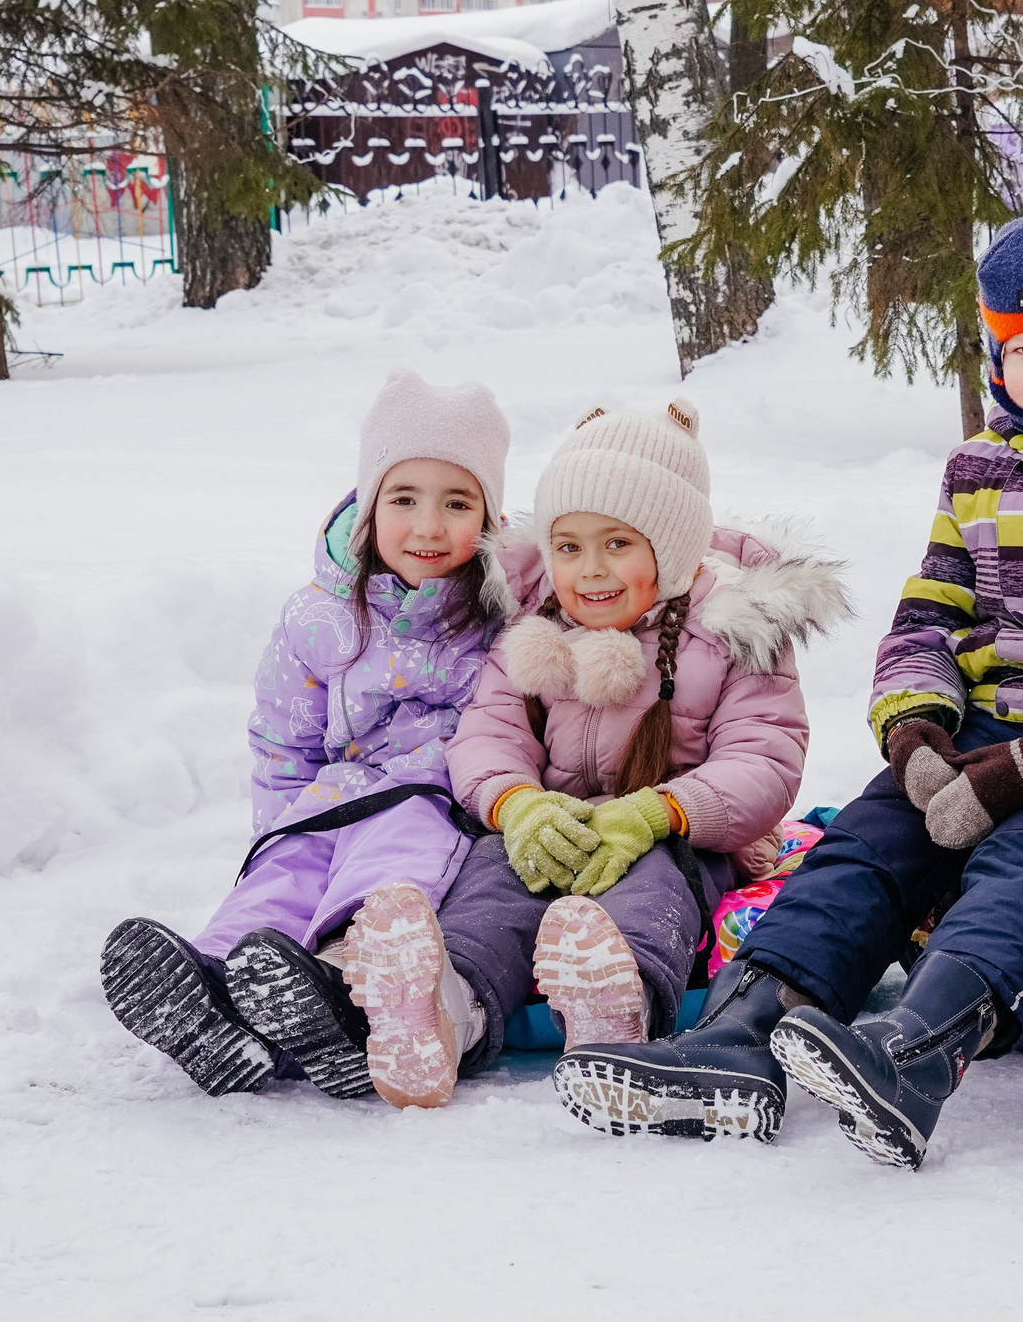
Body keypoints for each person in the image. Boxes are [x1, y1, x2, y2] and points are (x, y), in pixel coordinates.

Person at [553, 210, 1023, 1168]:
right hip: (982, 722)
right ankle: (740, 1034)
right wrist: (917, 730)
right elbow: (932, 608)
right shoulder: (980, 464)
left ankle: (919, 1050)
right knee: (869, 841)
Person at [335, 398, 849, 1110]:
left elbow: (765, 757)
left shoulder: (734, 632)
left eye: (618, 544)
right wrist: (517, 805)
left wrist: (659, 812)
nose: (590, 570)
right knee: (492, 879)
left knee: (655, 885)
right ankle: (449, 1010)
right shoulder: (536, 622)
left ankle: (618, 1004)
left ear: (671, 547)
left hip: (677, 831)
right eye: (569, 547)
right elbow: (488, 731)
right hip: (556, 823)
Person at [99, 370, 512, 1100]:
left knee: (389, 866)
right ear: (368, 506)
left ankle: (344, 979)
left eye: (457, 503)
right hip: (328, 798)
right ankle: (215, 989)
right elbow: (282, 741)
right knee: (283, 876)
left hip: (431, 796)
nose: (428, 525)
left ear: (488, 518)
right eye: (404, 498)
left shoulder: (502, 617)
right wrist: (276, 830)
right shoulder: (319, 617)